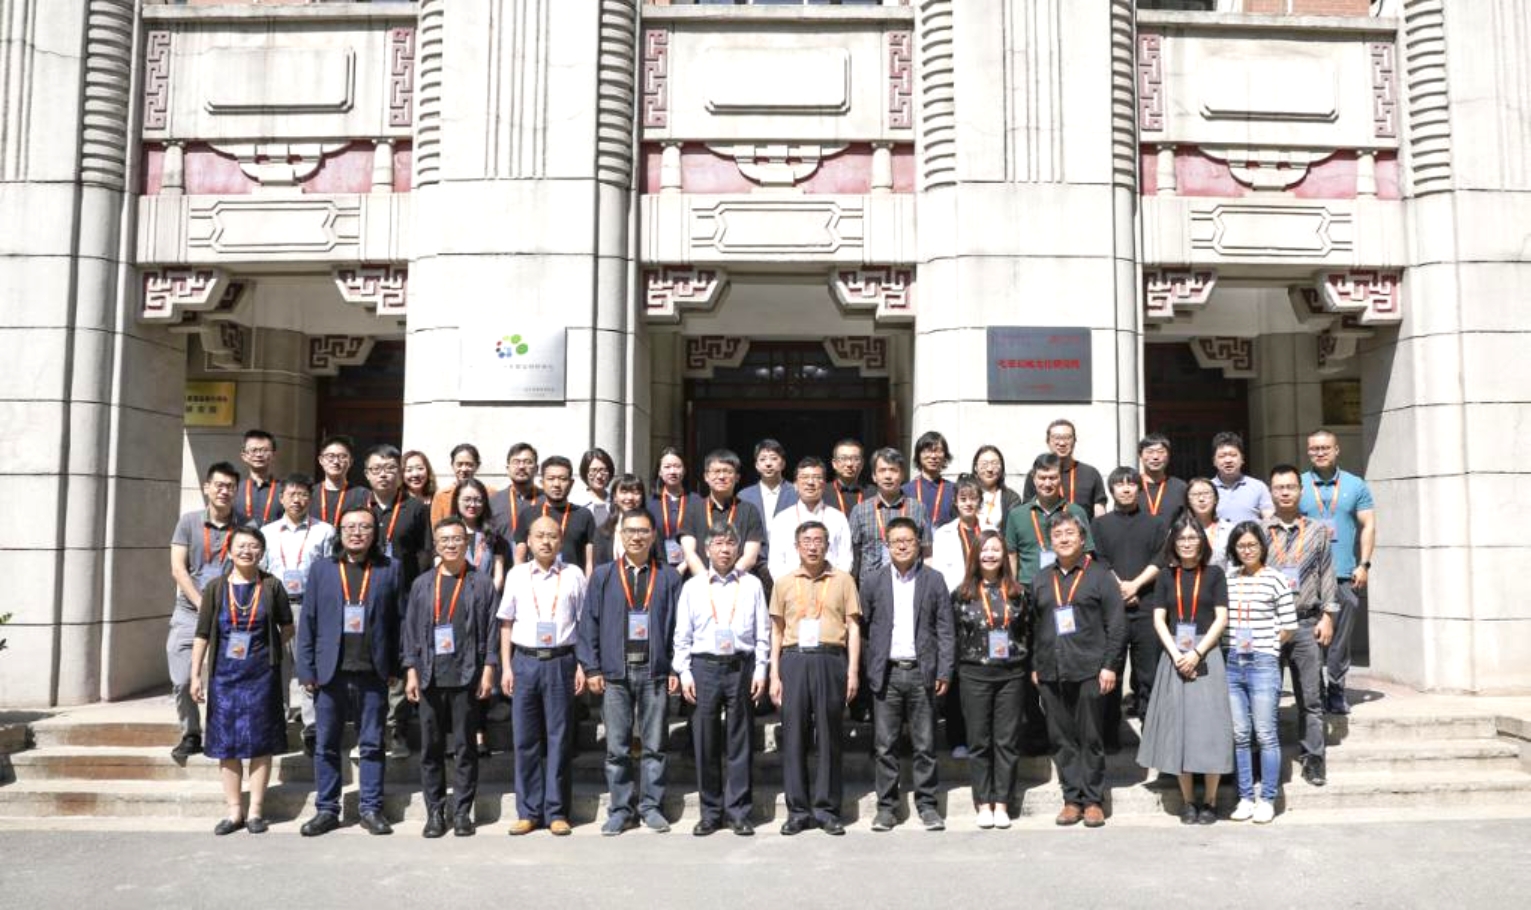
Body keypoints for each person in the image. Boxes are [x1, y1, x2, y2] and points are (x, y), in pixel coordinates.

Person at [296, 505, 405, 837]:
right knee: (326, 744)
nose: (357, 533)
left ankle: (370, 808)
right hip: (330, 673)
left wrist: (397, 666)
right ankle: (327, 809)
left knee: (371, 744)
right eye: (350, 527)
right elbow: (308, 621)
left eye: (365, 527)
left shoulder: (390, 569)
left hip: (373, 672)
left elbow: (399, 622)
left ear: (375, 533)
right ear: (340, 532)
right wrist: (306, 670)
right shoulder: (322, 569)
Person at [578, 508, 683, 835]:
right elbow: (588, 623)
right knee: (617, 748)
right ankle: (621, 809)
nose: (636, 537)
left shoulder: (668, 577)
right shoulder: (603, 576)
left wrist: (675, 667)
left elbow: (680, 629)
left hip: (655, 671)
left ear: (653, 536)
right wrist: (592, 667)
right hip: (615, 673)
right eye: (630, 531)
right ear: (620, 536)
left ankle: (651, 806)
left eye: (643, 531)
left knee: (654, 746)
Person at [190, 526, 293, 835]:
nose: (247, 551)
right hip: (224, 677)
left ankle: (256, 811)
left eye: (253, 546)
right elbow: (203, 633)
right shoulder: (215, 588)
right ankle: (234, 811)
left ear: (262, 552)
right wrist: (195, 675)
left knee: (261, 743)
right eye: (241, 546)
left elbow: (287, 627)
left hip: (262, 676)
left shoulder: (272, 586)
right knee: (227, 744)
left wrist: (267, 649)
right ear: (230, 551)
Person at [401, 517, 499, 838]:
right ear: (436, 544)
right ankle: (435, 812)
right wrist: (411, 671)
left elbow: (491, 629)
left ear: (466, 542)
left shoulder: (481, 582)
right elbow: (410, 630)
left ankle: (462, 812)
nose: (451, 545)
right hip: (429, 675)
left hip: (466, 675)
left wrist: (489, 668)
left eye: (457, 539)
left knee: (465, 747)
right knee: (430, 748)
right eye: (444, 540)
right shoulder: (422, 583)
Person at [1135, 514, 1232, 826]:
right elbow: (1159, 619)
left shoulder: (1215, 574)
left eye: (1193, 538)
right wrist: (1178, 654)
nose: (1187, 543)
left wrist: (1197, 653)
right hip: (1175, 656)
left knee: (1210, 729)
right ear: (1173, 544)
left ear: (1202, 542)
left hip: (1207, 655)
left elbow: (1221, 618)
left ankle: (1211, 801)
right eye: (1181, 539)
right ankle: (1189, 801)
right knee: (1180, 729)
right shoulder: (1166, 576)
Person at [673, 524, 770, 836]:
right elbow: (682, 634)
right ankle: (711, 812)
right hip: (704, 667)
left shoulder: (752, 584)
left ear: (738, 549)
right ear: (707, 549)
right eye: (718, 543)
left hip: (741, 666)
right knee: (705, 742)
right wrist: (684, 671)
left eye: (730, 543)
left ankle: (739, 812)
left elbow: (763, 632)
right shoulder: (693, 586)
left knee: (741, 741)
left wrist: (761, 669)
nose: (725, 549)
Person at [1030, 512, 1125, 828]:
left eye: (1070, 533)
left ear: (1082, 538)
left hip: (1089, 670)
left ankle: (1094, 800)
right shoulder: (1041, 578)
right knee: (1061, 739)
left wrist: (1110, 666)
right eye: (1057, 534)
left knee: (1090, 737)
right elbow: (1033, 627)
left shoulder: (1100, 576)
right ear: (1050, 541)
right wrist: (1035, 665)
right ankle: (1072, 799)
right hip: (1050, 671)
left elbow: (1117, 625)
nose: (1064, 539)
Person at [861, 516, 954, 832]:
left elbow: (945, 629)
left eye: (909, 540)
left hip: (921, 672)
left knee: (925, 745)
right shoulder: (873, 581)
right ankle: (887, 809)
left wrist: (944, 670)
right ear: (887, 545)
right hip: (887, 674)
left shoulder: (934, 580)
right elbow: (864, 629)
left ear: (919, 544)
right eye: (896, 541)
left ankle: (928, 806)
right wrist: (870, 667)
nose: (902, 546)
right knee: (885, 746)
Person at [769, 521, 862, 835]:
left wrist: (852, 671)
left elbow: (853, 628)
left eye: (819, 540)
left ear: (827, 545)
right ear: (797, 546)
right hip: (794, 659)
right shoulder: (783, 582)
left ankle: (827, 809)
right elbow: (776, 631)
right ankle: (797, 810)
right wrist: (774, 674)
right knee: (794, 736)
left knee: (829, 735)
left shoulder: (843, 580)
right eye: (806, 541)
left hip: (830, 658)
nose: (813, 546)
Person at [499, 516, 588, 836]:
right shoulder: (517, 574)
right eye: (540, 536)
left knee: (559, 739)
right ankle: (529, 811)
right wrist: (506, 666)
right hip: (524, 662)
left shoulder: (574, 574)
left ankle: (557, 811)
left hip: (561, 661)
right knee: (525, 740)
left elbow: (584, 624)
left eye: (552, 536)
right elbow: (506, 622)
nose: (546, 542)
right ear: (529, 541)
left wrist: (583, 665)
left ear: (561, 541)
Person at [951, 530, 1029, 829]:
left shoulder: (1018, 593)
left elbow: (1028, 632)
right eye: (985, 550)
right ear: (975, 555)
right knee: (979, 741)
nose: (990, 555)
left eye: (996, 549)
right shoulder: (962, 594)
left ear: (1004, 555)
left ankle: (1003, 803)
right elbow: (953, 635)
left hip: (1011, 675)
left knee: (1006, 741)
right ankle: (983, 802)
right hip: (974, 675)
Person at [1266, 464, 1338, 786]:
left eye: (1290, 487)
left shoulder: (1318, 530)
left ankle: (1313, 759)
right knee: (1266, 698)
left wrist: (1328, 616)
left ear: (1300, 490)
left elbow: (1327, 575)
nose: (1285, 492)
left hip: (1307, 622)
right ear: (1271, 491)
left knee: (1310, 697)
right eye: (1279, 487)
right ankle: (1267, 760)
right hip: (1268, 625)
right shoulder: (1258, 530)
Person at [1223, 521, 1297, 824]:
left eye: (1252, 544)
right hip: (1232, 663)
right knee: (1240, 734)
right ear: (1234, 549)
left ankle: (1267, 798)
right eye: (1241, 545)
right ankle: (1245, 797)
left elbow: (1289, 625)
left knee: (1265, 733)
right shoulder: (1228, 578)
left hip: (1263, 663)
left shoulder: (1275, 579)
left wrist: (1268, 648)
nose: (1247, 550)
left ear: (1262, 547)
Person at [167, 461, 240, 762]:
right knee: (183, 678)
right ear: (207, 487)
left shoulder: (246, 525)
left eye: (230, 487)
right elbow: (178, 568)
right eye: (219, 485)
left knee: (228, 677)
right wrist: (200, 603)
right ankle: (191, 733)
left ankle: (223, 731)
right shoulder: (188, 522)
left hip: (231, 612)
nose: (224, 491)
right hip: (189, 611)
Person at [1300, 428, 1376, 715]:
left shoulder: (1355, 484)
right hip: (1307, 577)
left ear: (1336, 450)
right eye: (1314, 448)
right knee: (1309, 638)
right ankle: (1315, 690)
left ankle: (1336, 689)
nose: (1320, 453)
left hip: (1343, 573)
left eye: (1325, 448)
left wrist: (1364, 564)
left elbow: (1368, 524)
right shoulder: (1299, 484)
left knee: (1340, 639)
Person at [259, 474, 334, 756]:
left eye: (303, 494)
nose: (297, 500)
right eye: (291, 494)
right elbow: (260, 570)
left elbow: (330, 571)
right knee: (276, 666)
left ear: (310, 499)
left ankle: (311, 728)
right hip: (274, 607)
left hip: (309, 606)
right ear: (281, 498)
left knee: (307, 665)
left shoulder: (324, 531)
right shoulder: (267, 532)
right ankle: (276, 725)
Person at [1091, 467, 1167, 745]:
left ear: (1140, 488)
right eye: (1120, 484)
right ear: (1111, 490)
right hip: (1112, 610)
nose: (1126, 489)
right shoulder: (1099, 524)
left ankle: (1152, 736)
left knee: (1149, 674)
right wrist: (1121, 589)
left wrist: (1135, 586)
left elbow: (1161, 558)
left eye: (1131, 484)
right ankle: (1109, 735)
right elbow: (1099, 560)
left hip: (1147, 606)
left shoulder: (1156, 523)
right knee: (1111, 670)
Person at [1005, 453, 1095, 587]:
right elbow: (1011, 556)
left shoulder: (1076, 512)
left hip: (1069, 586)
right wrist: (1011, 589)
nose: (1047, 483)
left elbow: (1087, 553)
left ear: (1061, 478)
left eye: (1052, 478)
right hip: (1029, 588)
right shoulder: (1017, 515)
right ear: (1034, 479)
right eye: (1042, 478)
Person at [848, 447, 933, 587]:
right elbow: (853, 556)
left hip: (910, 584)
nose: (888, 476)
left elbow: (927, 553)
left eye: (893, 470)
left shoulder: (918, 509)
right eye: (882, 470)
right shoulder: (859, 511)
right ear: (874, 476)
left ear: (902, 475)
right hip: (872, 588)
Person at [680, 449, 766, 578]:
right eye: (716, 471)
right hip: (701, 582)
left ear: (737, 477)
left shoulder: (749, 511)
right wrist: (706, 581)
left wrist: (728, 580)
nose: (721, 477)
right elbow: (689, 553)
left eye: (727, 472)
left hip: (738, 582)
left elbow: (750, 556)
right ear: (706, 477)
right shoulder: (692, 509)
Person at [767, 456, 853, 580]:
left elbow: (845, 559)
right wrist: (792, 586)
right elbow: (776, 564)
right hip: (792, 586)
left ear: (824, 484)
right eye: (804, 477)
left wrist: (833, 585)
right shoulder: (782, 520)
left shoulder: (838, 518)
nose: (810, 482)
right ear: (795, 485)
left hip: (830, 585)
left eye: (817, 477)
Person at [513, 456, 597, 576]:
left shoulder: (584, 515)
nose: (556, 484)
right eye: (551, 479)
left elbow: (590, 561)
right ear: (542, 482)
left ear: (571, 483)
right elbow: (519, 557)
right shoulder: (528, 514)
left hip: (572, 581)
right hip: (535, 582)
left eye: (563, 479)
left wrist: (589, 584)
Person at [739, 439, 798, 583]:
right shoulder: (744, 496)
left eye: (773, 458)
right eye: (763, 459)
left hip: (789, 565)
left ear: (783, 463)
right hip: (753, 567)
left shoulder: (796, 493)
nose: (768, 463)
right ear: (756, 465)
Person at [1022, 419, 1109, 517]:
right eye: (1057, 438)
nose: (1062, 443)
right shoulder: (1038, 475)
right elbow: (1028, 510)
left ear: (1074, 441)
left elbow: (1099, 512)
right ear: (1048, 441)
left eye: (1067, 438)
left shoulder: (1090, 474)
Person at [649, 447, 704, 575]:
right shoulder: (650, 503)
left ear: (684, 470)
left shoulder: (697, 501)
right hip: (658, 570)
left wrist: (684, 564)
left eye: (677, 466)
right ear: (659, 472)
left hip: (691, 568)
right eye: (667, 467)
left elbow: (702, 536)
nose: (672, 471)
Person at [593, 474, 663, 565]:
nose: (630, 497)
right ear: (614, 497)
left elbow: (661, 563)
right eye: (624, 492)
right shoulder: (603, 532)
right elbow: (599, 567)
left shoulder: (652, 529)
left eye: (636, 492)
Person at [453, 478, 507, 592]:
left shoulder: (493, 534)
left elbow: (498, 576)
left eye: (478, 500)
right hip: (454, 595)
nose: (472, 505)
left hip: (487, 595)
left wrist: (488, 597)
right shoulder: (447, 531)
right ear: (456, 501)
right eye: (467, 499)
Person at [932, 474, 983, 592]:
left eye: (973, 498)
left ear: (980, 500)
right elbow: (938, 571)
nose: (968, 503)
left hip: (984, 594)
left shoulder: (990, 531)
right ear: (955, 501)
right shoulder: (943, 534)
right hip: (954, 594)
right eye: (963, 499)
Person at [1210, 432, 1274, 523]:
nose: (1228, 460)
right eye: (1222, 456)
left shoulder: (1258, 487)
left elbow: (1269, 518)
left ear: (1242, 459)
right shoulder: (1208, 489)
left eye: (1233, 455)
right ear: (1214, 461)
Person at [311, 435, 369, 526]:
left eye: (342, 456)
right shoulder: (310, 494)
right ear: (321, 460)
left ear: (351, 461)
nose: (336, 462)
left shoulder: (363, 495)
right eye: (330, 456)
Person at [903, 430, 957, 529]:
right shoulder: (905, 491)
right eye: (928, 451)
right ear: (919, 455)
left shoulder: (953, 489)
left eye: (938, 451)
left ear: (945, 456)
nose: (933, 456)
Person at [431, 443, 492, 528]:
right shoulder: (441, 496)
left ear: (477, 466)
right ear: (452, 465)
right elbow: (436, 529)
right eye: (459, 464)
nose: (464, 469)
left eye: (469, 465)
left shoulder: (490, 493)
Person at [488, 442, 540, 541]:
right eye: (516, 462)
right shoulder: (493, 502)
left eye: (527, 462)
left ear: (536, 468)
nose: (521, 467)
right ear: (508, 468)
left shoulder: (547, 500)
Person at [234, 429, 282, 527]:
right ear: (244, 456)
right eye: (254, 450)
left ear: (273, 455)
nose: (259, 454)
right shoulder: (235, 489)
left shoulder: (284, 489)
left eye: (265, 450)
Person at [1186, 477, 1234, 570]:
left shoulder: (1229, 530)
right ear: (1188, 501)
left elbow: (1235, 565)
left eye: (1206, 494)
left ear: (1216, 499)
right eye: (1195, 495)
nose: (1201, 499)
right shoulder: (1179, 531)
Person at [972, 445, 1022, 532]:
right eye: (984, 464)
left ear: (1002, 467)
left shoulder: (1011, 498)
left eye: (994, 464)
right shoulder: (964, 496)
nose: (989, 469)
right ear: (975, 467)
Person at [1137, 433, 1188, 520]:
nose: (1155, 457)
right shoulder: (1132, 485)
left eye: (1161, 452)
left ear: (1168, 456)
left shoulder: (1180, 487)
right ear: (1140, 456)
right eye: (1150, 452)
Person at [574, 447, 616, 527]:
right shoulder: (575, 503)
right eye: (593, 470)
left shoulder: (617, 501)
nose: (599, 476)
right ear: (585, 473)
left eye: (603, 470)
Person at [828, 438, 870, 514]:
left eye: (855, 459)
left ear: (862, 464)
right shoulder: (822, 492)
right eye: (843, 458)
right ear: (834, 464)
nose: (849, 464)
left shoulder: (873, 493)